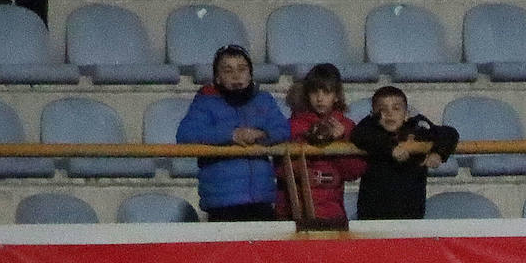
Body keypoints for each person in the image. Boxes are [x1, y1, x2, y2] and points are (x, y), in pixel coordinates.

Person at [176, 44, 290, 221]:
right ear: (218, 78)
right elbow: (186, 134)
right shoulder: (205, 102)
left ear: (250, 74)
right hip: (223, 202)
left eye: (242, 69)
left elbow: (283, 129)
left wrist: (261, 134)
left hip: (261, 199)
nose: (236, 75)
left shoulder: (264, 100)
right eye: (228, 70)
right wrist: (232, 135)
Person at [350, 86, 458, 220]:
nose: (390, 113)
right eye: (383, 109)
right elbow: (358, 134)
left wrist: (438, 153)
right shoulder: (368, 130)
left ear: (406, 114)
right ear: (373, 114)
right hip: (372, 217)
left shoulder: (417, 129)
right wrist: (391, 148)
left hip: (411, 215)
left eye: (396, 108)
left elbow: (449, 133)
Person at [276, 63, 364, 226]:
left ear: (337, 96)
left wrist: (339, 141)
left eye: (327, 92)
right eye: (315, 92)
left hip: (332, 212)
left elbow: (354, 171)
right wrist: (312, 141)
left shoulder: (345, 126)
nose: (320, 98)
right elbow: (281, 169)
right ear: (307, 94)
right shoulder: (293, 125)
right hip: (294, 213)